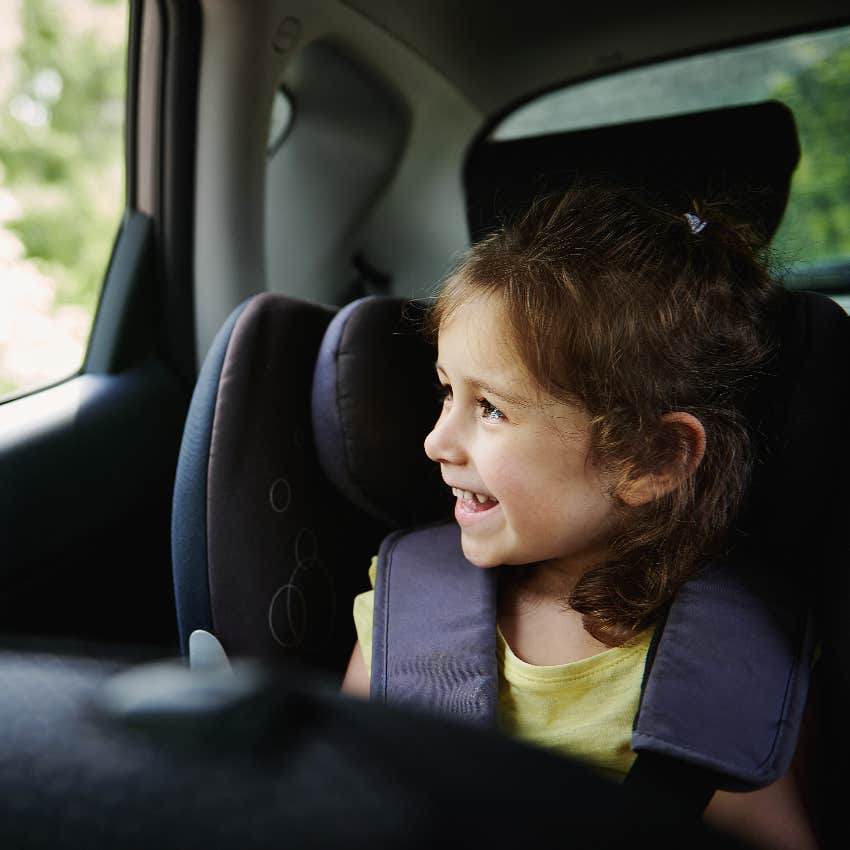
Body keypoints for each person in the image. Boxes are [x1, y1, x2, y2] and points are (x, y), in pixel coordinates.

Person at [341, 182, 817, 850]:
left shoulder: (732, 665)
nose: (436, 441)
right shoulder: (403, 613)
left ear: (649, 459)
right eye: (447, 391)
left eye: (491, 409)